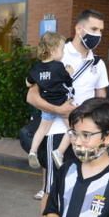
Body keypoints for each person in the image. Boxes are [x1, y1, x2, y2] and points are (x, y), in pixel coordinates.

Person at [27, 9, 108, 217]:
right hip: (58, 133)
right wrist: (61, 111)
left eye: (101, 31)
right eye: (94, 30)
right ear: (79, 29)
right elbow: (32, 96)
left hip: (88, 136)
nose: (98, 35)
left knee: (82, 187)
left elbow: (102, 98)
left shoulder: (97, 63)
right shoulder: (59, 54)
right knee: (51, 189)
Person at [26, 32, 74, 170]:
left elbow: (28, 82)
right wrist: (69, 71)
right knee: (72, 128)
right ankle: (59, 152)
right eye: (62, 50)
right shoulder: (59, 67)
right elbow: (68, 81)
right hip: (62, 103)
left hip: (47, 105)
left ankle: (33, 151)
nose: (63, 53)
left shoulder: (36, 68)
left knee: (42, 129)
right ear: (53, 51)